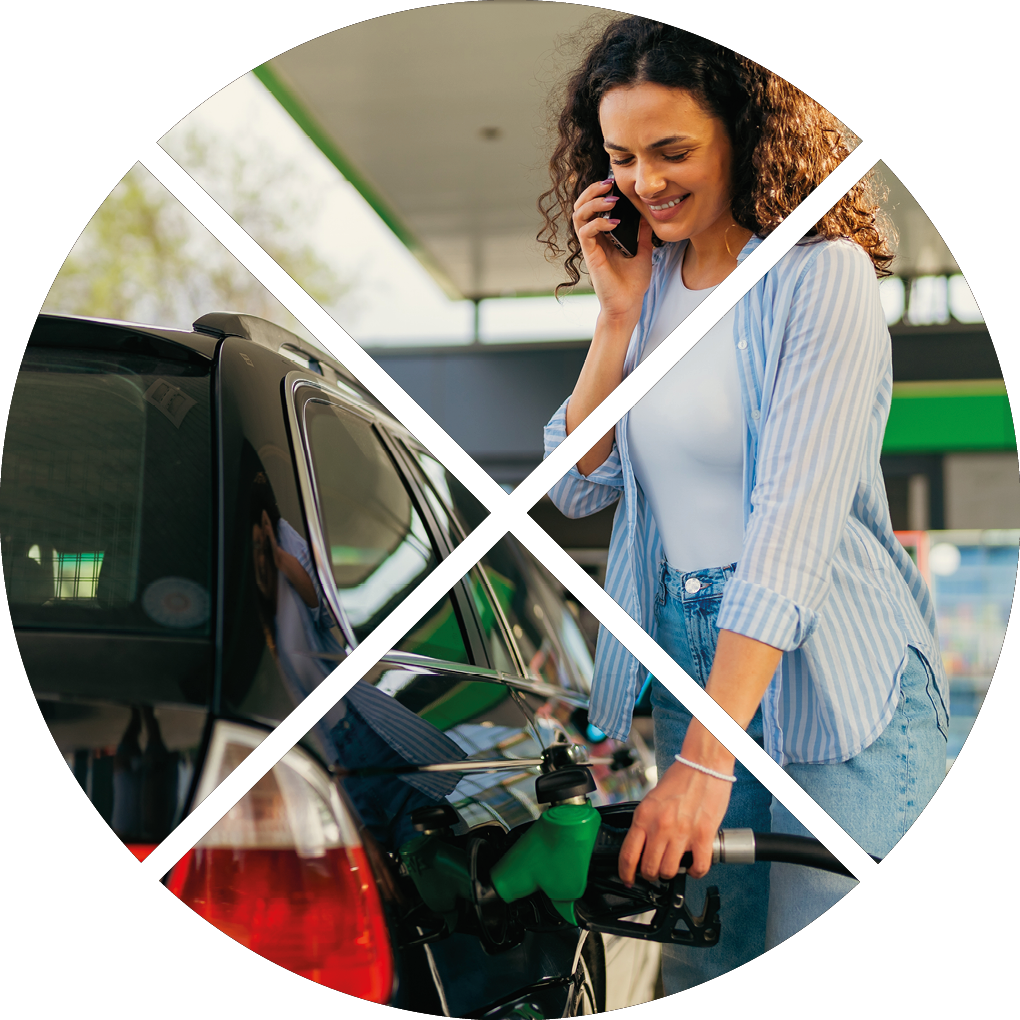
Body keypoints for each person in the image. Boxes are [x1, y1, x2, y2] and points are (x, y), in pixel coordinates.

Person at [539, 18, 948, 992]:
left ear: (744, 132)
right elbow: (575, 481)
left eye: (672, 151)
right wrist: (617, 316)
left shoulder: (821, 278)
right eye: (622, 157)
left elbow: (790, 536)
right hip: (696, 683)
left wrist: (706, 766)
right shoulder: (649, 292)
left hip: (839, 695)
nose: (644, 181)